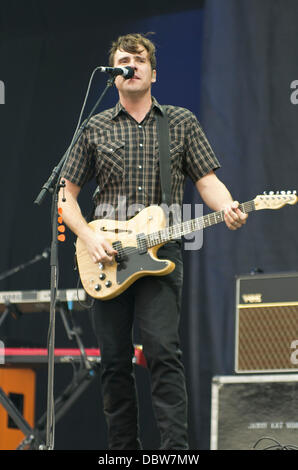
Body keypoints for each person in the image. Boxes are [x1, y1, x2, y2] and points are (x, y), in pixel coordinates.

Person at [59, 33, 247, 450]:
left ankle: (175, 453)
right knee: (113, 362)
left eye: (139, 59)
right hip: (106, 257)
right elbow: (65, 194)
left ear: (153, 72)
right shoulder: (95, 127)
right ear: (114, 75)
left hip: (162, 254)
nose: (131, 65)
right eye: (123, 60)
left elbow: (207, 180)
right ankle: (123, 453)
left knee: (163, 352)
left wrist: (230, 206)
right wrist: (88, 236)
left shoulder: (179, 122)